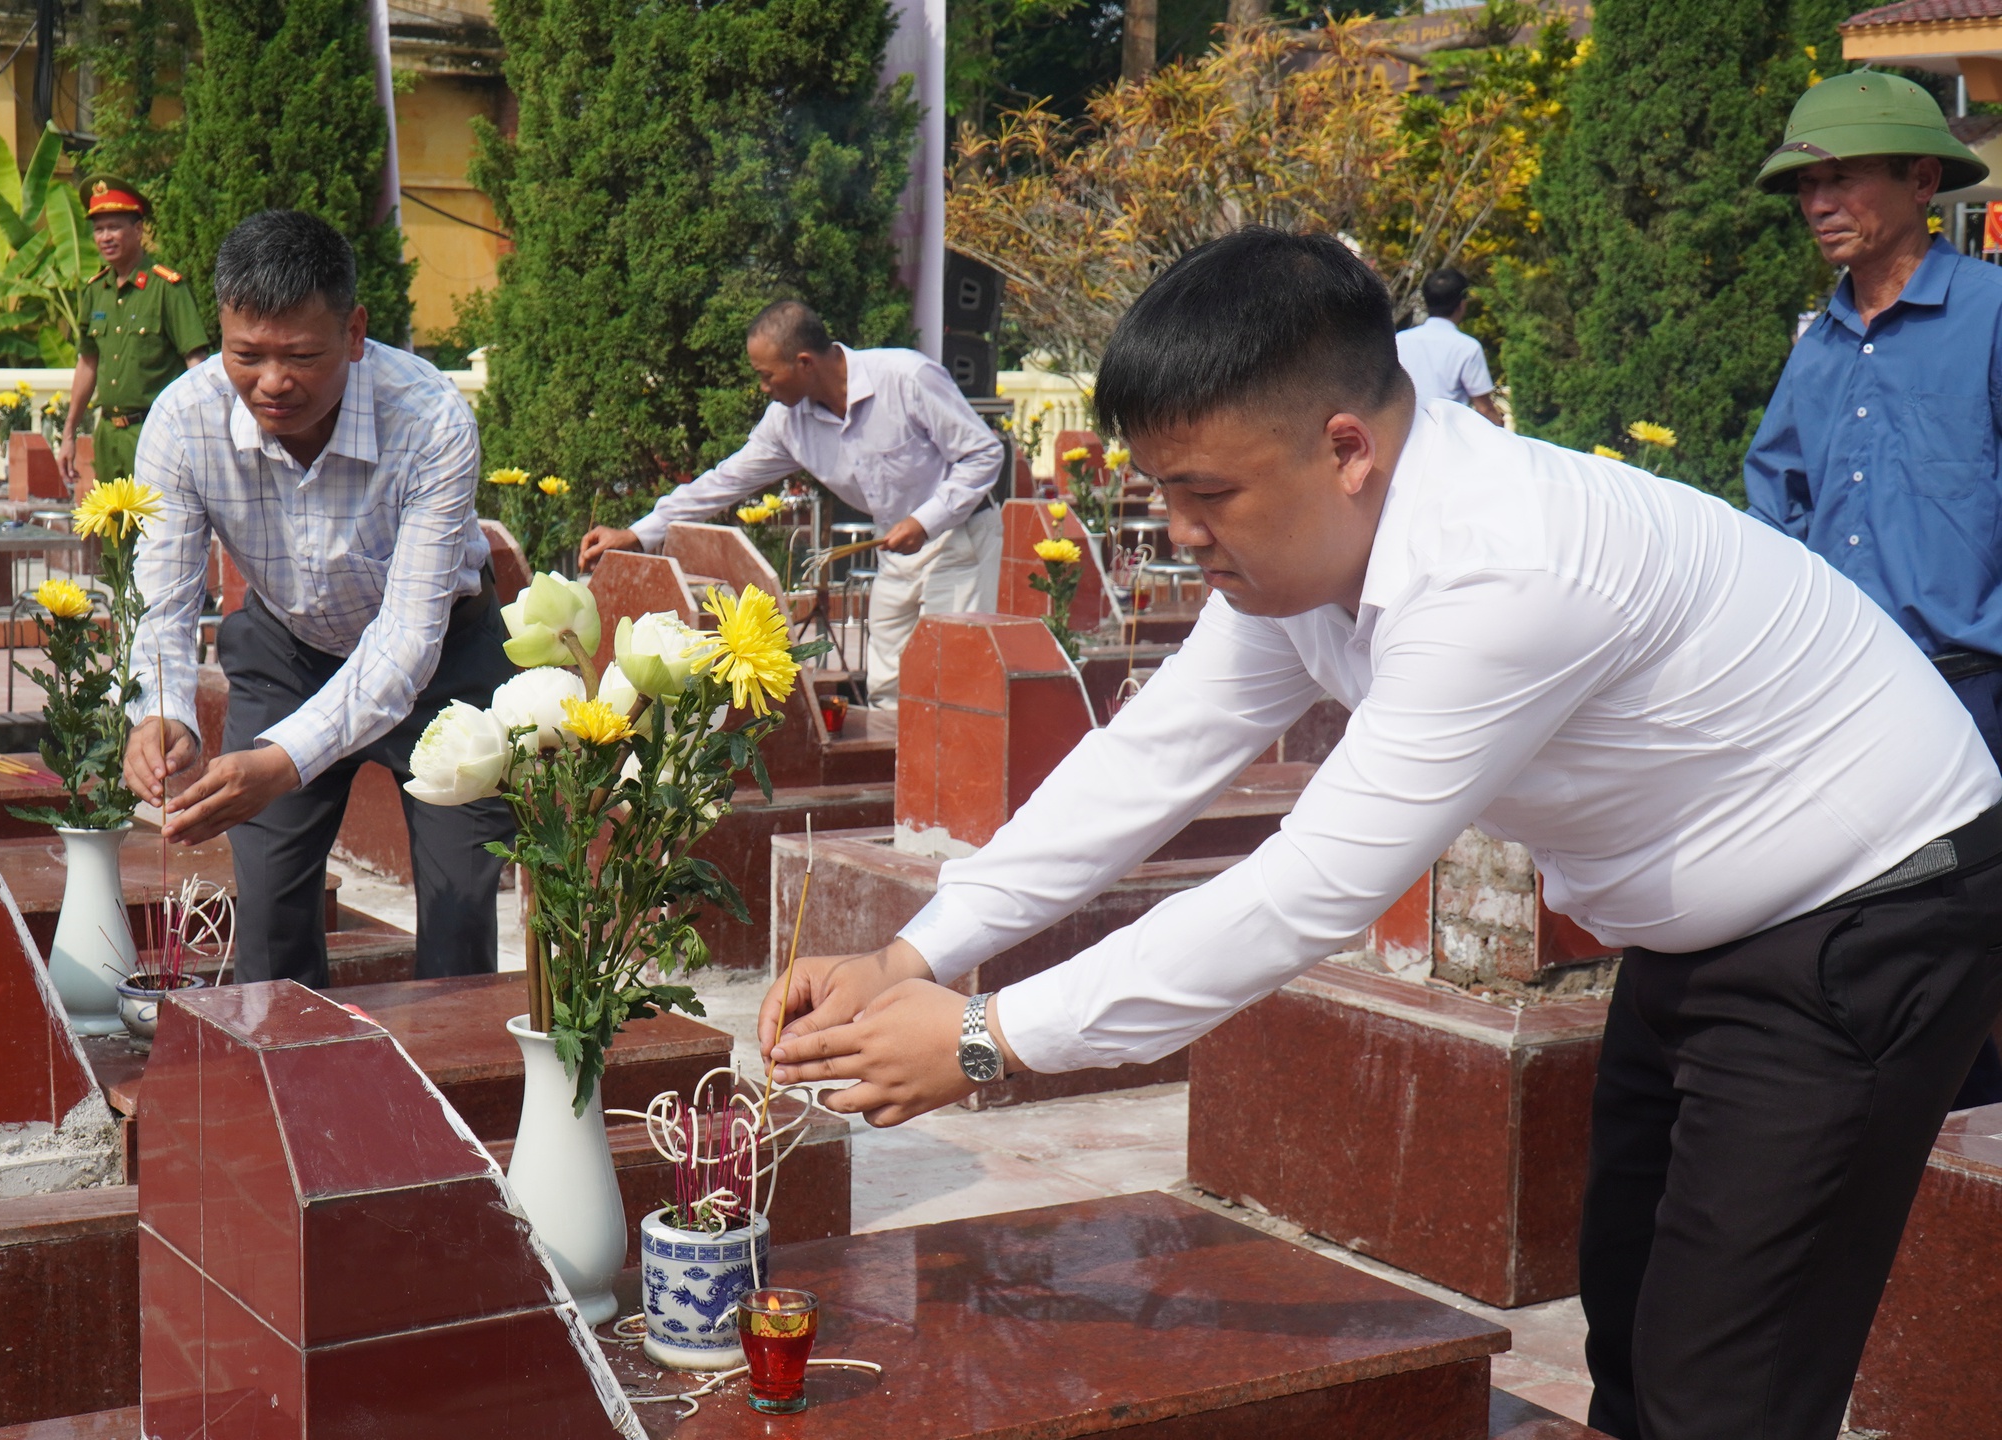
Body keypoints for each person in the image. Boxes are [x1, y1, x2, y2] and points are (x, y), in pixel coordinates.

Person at [759, 228, 2002, 1440]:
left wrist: (987, 1041)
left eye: (1207, 495)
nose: (1182, 534)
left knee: (1725, 1379)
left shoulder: (1501, 571)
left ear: (1345, 445)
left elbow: (1312, 887)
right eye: (1161, 493)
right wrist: (913, 957)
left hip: (1867, 909)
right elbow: (1148, 762)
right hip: (1709, 925)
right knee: (1630, 1309)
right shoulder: (1303, 557)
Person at [120, 209, 514, 989]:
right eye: (246, 355)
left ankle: (450, 1099)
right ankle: (295, 1092)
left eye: (301, 354)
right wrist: (157, 712)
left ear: (356, 330)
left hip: (444, 663)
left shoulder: (429, 420)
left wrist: (281, 761)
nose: (273, 383)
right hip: (285, 650)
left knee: (460, 902)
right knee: (265, 909)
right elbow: (162, 600)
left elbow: (406, 644)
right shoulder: (182, 420)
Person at [1743, 70, 2002, 1111]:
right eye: (1807, 189)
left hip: (1974, 689)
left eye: (1844, 179)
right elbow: (1776, 511)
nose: (1818, 204)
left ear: (1920, 178)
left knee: (1975, 935)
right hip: (1845, 699)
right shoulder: (1817, 345)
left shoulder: (1988, 315)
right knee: (1879, 940)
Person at [576, 302, 1005, 708]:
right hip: (894, 547)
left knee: (951, 676)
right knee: (887, 684)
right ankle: (898, 782)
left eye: (766, 375)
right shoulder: (787, 422)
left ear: (804, 363)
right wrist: (637, 532)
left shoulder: (907, 377)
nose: (763, 387)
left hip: (959, 537)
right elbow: (724, 481)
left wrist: (925, 520)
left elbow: (984, 454)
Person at [60, 180, 210, 489]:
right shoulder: (94, 292)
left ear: (138, 230)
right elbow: (87, 363)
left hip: (156, 432)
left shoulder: (166, 288)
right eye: (99, 230)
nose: (105, 237)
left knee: (157, 531)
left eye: (114, 228)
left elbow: (196, 361)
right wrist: (68, 433)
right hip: (108, 436)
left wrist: (203, 434)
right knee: (112, 530)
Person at [1394, 267, 1503, 426]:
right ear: (1462, 304)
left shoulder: (1400, 340)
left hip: (1405, 431)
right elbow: (1484, 408)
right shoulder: (1467, 347)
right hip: (1447, 434)